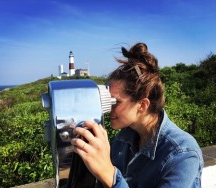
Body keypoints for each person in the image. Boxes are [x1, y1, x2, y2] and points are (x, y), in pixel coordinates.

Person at [71, 42, 204, 187]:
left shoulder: (182, 154)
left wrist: (110, 175)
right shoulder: (123, 140)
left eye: (115, 102)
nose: (109, 109)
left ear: (142, 105)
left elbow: (110, 178)